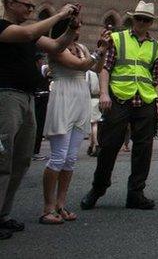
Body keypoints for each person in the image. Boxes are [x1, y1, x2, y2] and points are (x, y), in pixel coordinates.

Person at [0, 0, 79, 240]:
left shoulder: (28, 34)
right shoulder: (5, 28)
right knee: (2, 159)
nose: (31, 11)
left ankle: (4, 214)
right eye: (28, 6)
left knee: (21, 160)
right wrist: (60, 14)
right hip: (6, 96)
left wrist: (70, 29)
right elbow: (31, 32)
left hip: (27, 97)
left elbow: (56, 46)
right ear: (10, 4)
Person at [80, 0, 158, 211]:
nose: (142, 23)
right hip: (118, 98)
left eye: (146, 20)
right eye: (139, 19)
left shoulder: (157, 46)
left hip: (145, 100)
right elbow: (105, 68)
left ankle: (136, 193)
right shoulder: (117, 39)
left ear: (151, 23)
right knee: (108, 147)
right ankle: (98, 189)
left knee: (143, 149)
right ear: (132, 19)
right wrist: (103, 93)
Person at [39, 28, 109, 224]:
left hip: (80, 98)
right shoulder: (57, 48)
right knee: (58, 157)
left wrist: (102, 52)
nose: (78, 30)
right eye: (75, 26)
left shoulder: (81, 47)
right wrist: (99, 50)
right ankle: (48, 207)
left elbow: (96, 68)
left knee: (70, 159)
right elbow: (79, 65)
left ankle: (61, 204)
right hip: (63, 96)